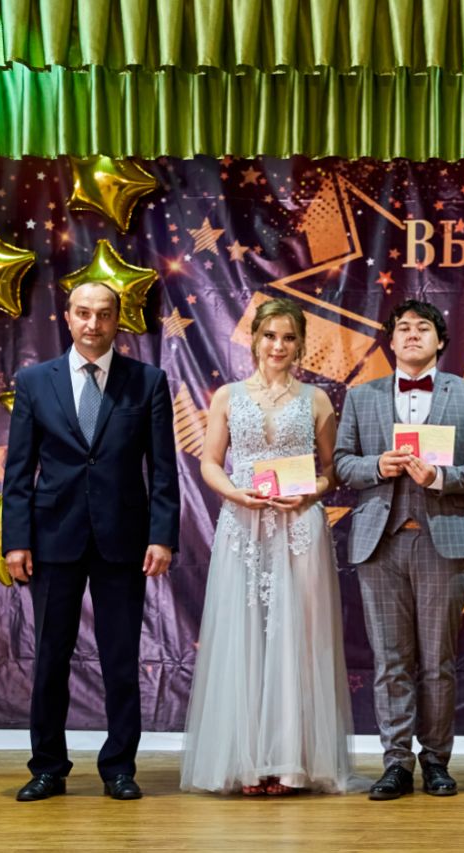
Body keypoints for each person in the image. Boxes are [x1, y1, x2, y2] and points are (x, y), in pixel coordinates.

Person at [2, 281, 180, 802]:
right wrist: (16, 540)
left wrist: (162, 536)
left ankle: (119, 767)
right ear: (67, 316)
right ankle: (48, 768)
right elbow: (18, 471)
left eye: (103, 314)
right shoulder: (35, 381)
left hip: (123, 540)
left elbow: (163, 469)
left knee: (121, 658)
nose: (92, 324)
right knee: (50, 659)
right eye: (83, 313)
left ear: (117, 320)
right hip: (52, 538)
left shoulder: (147, 381)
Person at [181, 298, 360, 795]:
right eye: (270, 336)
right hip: (243, 525)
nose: (278, 346)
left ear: (299, 344)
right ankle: (246, 762)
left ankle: (289, 763)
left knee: (295, 638)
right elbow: (210, 462)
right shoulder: (228, 396)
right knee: (243, 637)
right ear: (255, 339)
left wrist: (311, 493)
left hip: (298, 527)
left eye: (288, 338)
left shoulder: (317, 400)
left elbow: (333, 470)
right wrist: (235, 494)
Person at [335, 299, 464, 800]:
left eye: (422, 328)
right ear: (390, 340)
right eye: (402, 328)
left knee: (437, 661)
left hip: (443, 541)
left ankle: (436, 761)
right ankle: (396, 763)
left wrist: (441, 477)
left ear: (440, 340)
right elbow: (341, 463)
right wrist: (376, 467)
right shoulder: (361, 397)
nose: (411, 335)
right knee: (390, 661)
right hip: (379, 544)